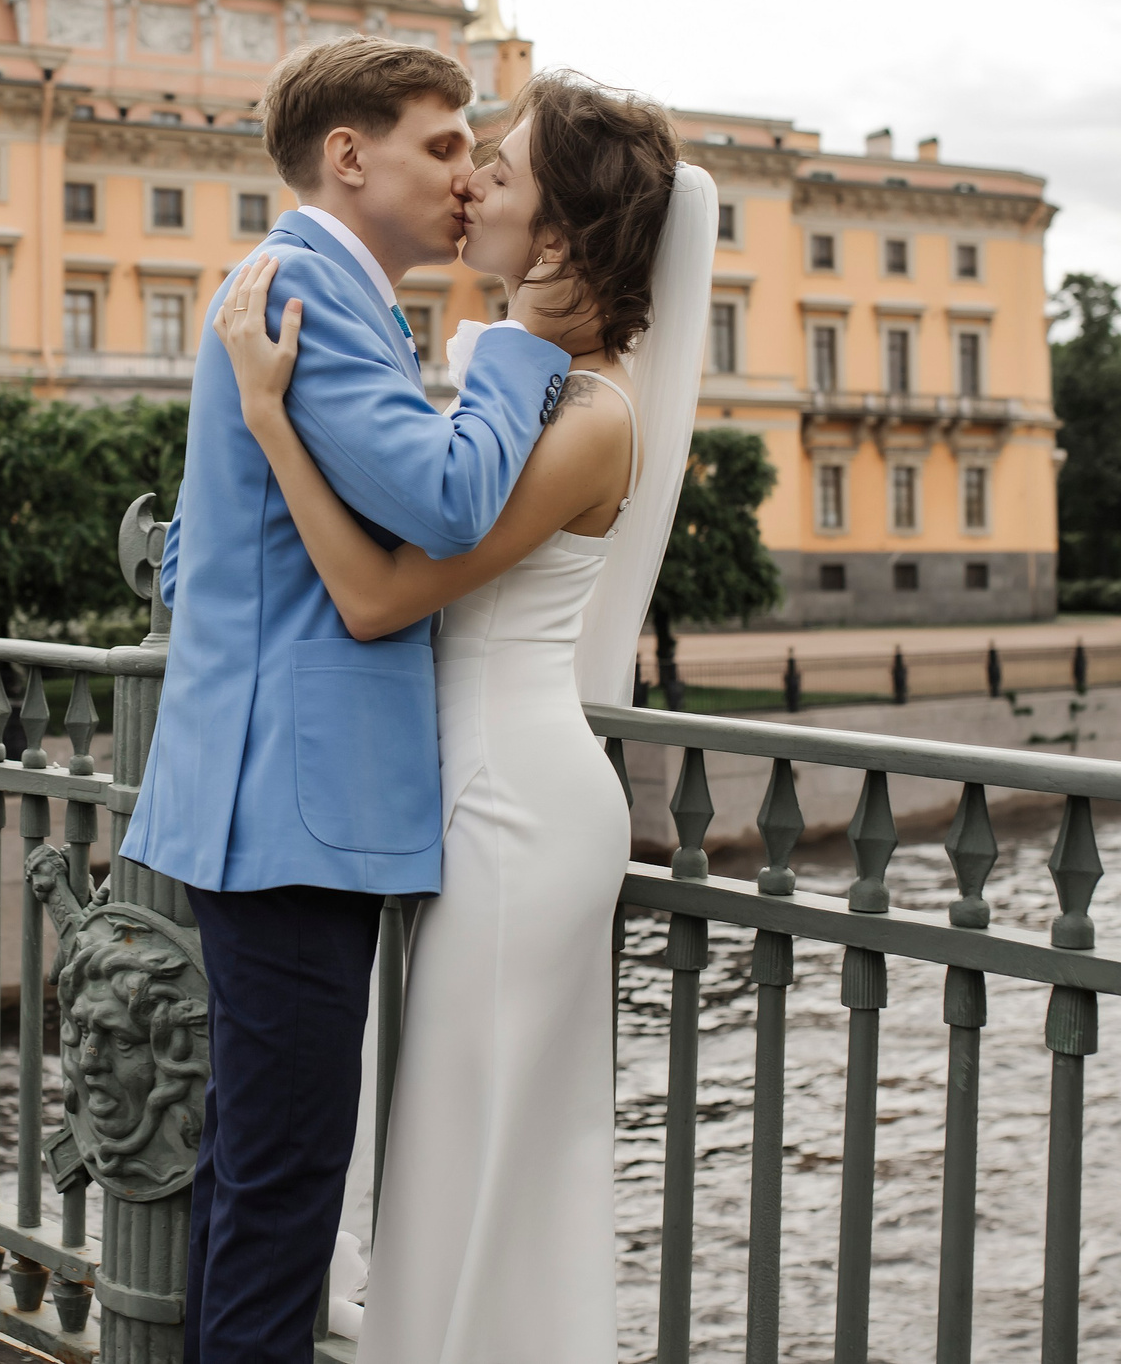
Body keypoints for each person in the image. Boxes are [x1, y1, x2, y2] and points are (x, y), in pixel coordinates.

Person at [212, 71, 716, 1363]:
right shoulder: (538, 385)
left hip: (516, 806)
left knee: (478, 1162)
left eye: (500, 163)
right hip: (478, 798)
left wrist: (271, 422)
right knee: (454, 1156)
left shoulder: (589, 413)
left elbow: (382, 598)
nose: (469, 180)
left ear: (555, 231)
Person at [116, 36, 575, 1364]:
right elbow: (441, 498)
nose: (467, 180)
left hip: (260, 796)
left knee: (251, 1175)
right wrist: (504, 353)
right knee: (285, 1194)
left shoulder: (285, 284)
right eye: (443, 146)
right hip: (298, 812)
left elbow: (200, 552)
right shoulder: (317, 285)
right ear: (349, 153)